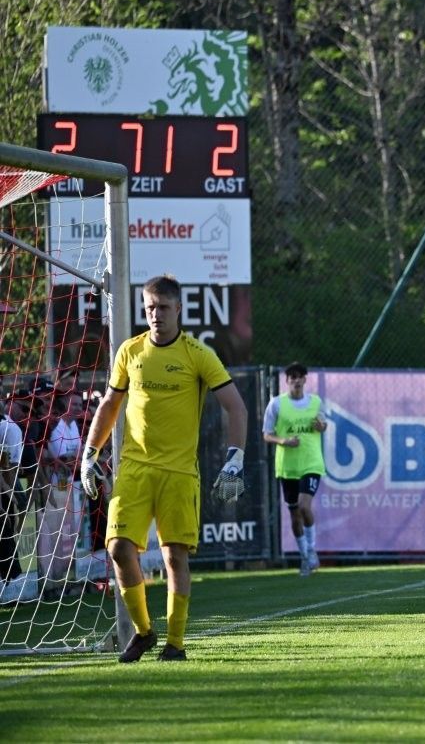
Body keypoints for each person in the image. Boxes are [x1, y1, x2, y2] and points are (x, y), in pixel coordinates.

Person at [79, 275, 248, 662]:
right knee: (119, 549)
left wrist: (235, 459)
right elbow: (109, 404)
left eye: (163, 308)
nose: (156, 315)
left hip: (178, 473)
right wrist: (90, 453)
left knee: (174, 558)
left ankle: (175, 643)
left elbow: (236, 407)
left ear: (179, 311)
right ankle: (143, 632)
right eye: (150, 308)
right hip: (134, 470)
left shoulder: (197, 354)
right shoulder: (130, 351)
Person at [263, 362, 328, 576]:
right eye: (292, 377)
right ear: (287, 380)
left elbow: (323, 423)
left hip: (311, 462)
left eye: (300, 376)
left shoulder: (316, 402)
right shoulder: (276, 404)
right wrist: (283, 440)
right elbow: (267, 433)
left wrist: (321, 426)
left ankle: (311, 550)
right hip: (288, 467)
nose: (296, 380)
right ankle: (304, 558)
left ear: (305, 379)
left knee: (304, 506)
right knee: (294, 516)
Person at [36, 393, 83, 599]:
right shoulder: (55, 429)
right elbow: (62, 458)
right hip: (56, 487)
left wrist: (73, 461)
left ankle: (67, 580)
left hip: (71, 485)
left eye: (80, 404)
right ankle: (52, 584)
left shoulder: (74, 427)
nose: (78, 407)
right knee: (54, 535)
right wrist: (71, 461)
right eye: (74, 404)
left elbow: (77, 456)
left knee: (69, 535)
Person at [0, 398, 26, 601]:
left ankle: (8, 581)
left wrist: (9, 492)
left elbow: (6, 466)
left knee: (6, 529)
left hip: (2, 491)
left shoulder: (6, 428)